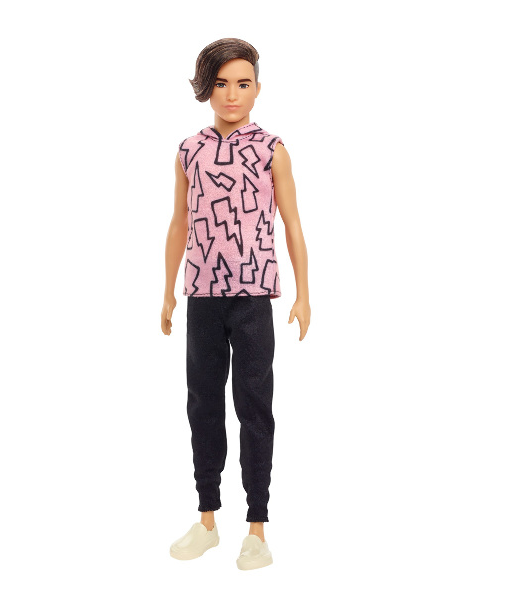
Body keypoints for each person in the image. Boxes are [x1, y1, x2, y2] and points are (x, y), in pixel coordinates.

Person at [161, 38, 310, 570]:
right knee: (202, 403)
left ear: (257, 89)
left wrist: (303, 293)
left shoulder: (272, 149)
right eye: (221, 83)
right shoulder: (189, 150)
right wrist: (167, 291)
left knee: (254, 405)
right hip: (202, 295)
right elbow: (179, 222)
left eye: (242, 83)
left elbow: (292, 223)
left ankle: (257, 527)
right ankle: (206, 519)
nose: (231, 94)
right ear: (207, 88)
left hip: (252, 297)